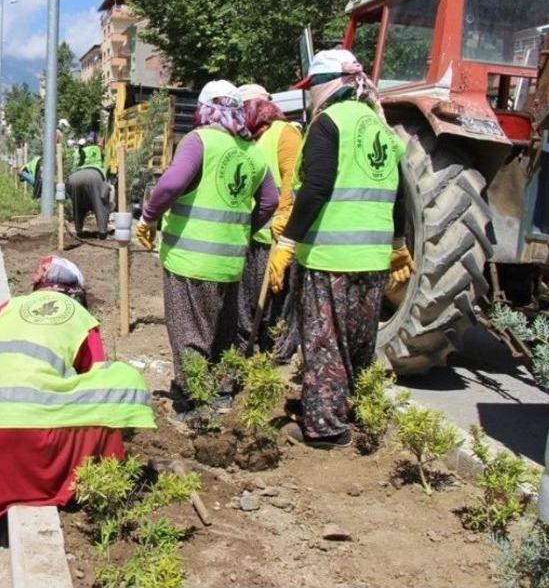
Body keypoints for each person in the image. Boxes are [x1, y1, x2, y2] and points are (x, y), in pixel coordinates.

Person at [268, 49, 414, 449]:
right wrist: (398, 246)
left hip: (329, 259)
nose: (309, 93)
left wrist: (287, 243)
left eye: (311, 85)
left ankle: (326, 428)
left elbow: (316, 189)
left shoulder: (328, 124)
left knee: (324, 342)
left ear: (326, 84)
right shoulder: (379, 127)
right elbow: (399, 194)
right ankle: (361, 413)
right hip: (372, 260)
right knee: (359, 343)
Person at [0, 256, 156, 525]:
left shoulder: (6, 308)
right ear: (76, 293)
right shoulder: (80, 317)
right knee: (120, 381)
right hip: (29, 443)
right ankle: (98, 481)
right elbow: (92, 373)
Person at [135, 80, 278, 413]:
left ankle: (194, 400)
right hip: (230, 263)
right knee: (223, 331)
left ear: (204, 110)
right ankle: (223, 392)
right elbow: (270, 201)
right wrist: (243, 230)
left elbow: (171, 183)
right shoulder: (251, 151)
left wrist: (149, 217)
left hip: (190, 261)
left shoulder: (199, 141)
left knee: (190, 332)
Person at [234, 87, 303, 362]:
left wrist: (284, 222)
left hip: (276, 239)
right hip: (249, 237)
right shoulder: (245, 139)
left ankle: (277, 360)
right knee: (247, 306)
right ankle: (246, 353)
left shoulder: (284, 133)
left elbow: (293, 181)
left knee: (276, 307)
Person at [66, 139, 112, 239]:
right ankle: (102, 232)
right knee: (101, 203)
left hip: (76, 176)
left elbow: (76, 164)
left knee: (77, 204)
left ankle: (78, 230)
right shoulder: (99, 152)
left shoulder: (81, 151)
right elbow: (105, 192)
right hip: (95, 175)